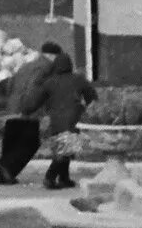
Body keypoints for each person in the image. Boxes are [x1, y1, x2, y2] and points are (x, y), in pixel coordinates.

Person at [17, 44, 94, 190]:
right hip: (74, 119)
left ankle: (64, 178)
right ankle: (50, 178)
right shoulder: (79, 79)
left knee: (63, 149)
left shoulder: (50, 82)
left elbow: (34, 102)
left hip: (56, 121)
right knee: (66, 150)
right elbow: (92, 96)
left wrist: (25, 110)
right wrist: (85, 108)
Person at [0, 43, 63, 186]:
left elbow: (11, 83)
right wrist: (32, 108)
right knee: (30, 143)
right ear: (52, 56)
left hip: (12, 108)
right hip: (27, 109)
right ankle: (6, 167)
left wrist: (10, 104)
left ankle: (2, 175)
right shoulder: (47, 68)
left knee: (12, 141)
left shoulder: (27, 65)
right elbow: (35, 88)